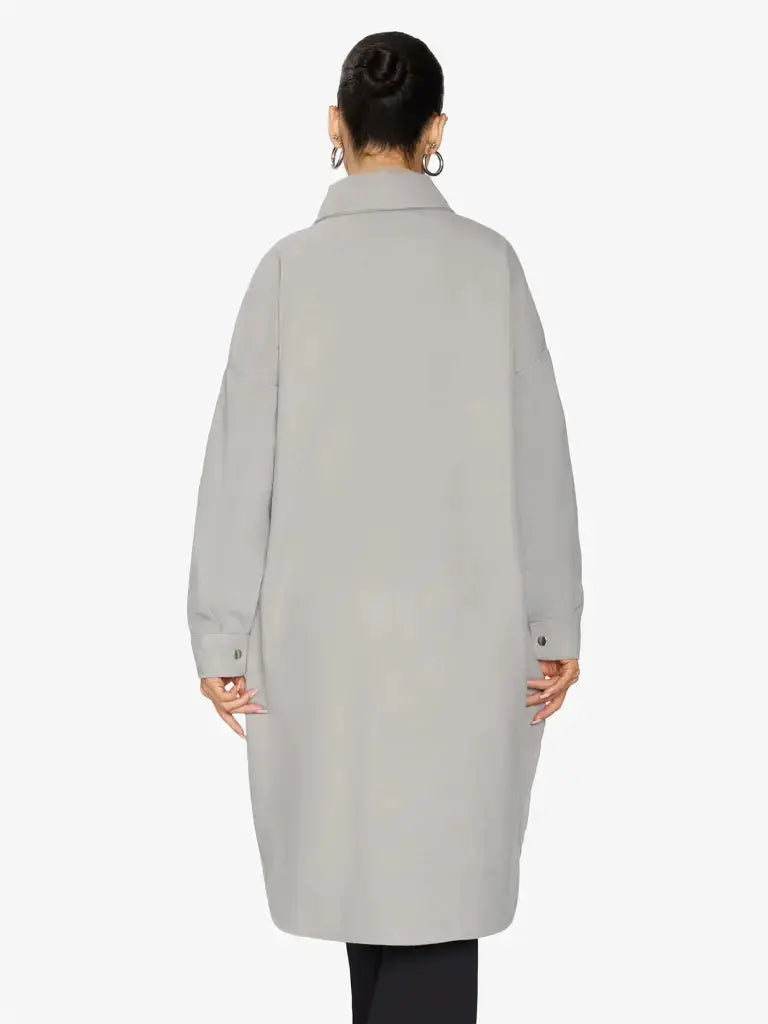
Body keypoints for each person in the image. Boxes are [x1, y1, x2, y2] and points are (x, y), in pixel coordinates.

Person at [188, 30, 583, 1024]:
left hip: (323, 649)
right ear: (435, 131)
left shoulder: (288, 272)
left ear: (337, 124)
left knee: (380, 907)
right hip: (464, 644)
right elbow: (539, 458)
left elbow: (239, 467)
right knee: (427, 908)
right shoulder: (490, 268)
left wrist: (220, 635)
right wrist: (556, 624)